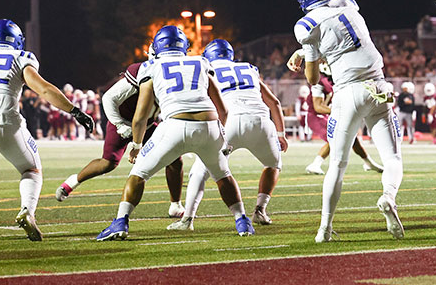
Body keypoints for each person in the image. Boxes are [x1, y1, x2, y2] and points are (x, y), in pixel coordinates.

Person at [96, 26, 253, 241]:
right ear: (184, 47)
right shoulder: (201, 61)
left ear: (157, 45)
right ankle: (242, 220)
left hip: (175, 125)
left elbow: (141, 116)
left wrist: (136, 144)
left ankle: (120, 222)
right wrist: (222, 136)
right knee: (223, 176)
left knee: (138, 174)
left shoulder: (151, 66)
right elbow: (223, 109)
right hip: (208, 125)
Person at [288, 0, 404, 242]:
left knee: (338, 165)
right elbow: (340, 27)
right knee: (392, 159)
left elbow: (314, 77)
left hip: (348, 93)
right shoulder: (347, 4)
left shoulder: (305, 26)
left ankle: (324, 230)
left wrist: (305, 55)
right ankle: (388, 196)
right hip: (379, 87)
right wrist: (304, 50)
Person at [0, 19, 94, 241]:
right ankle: (27, 212)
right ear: (16, 39)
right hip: (7, 123)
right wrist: (75, 111)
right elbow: (44, 89)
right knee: (31, 170)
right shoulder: (21, 57)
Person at [167, 39, 288, 230]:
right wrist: (281, 134)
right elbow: (274, 103)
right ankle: (260, 210)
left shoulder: (205, 67)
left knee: (200, 171)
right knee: (273, 164)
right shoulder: (249, 69)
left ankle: (187, 219)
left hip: (229, 121)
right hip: (261, 121)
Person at [55, 48, 185, 219]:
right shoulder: (141, 71)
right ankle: (73, 181)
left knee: (175, 159)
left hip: (146, 124)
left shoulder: (180, 72)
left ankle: (175, 205)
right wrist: (119, 124)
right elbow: (108, 98)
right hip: (123, 120)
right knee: (108, 163)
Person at [302, 62, 383, 175]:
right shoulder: (319, 82)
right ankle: (315, 164)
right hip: (316, 117)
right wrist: (339, 110)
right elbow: (318, 107)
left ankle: (369, 163)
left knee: (352, 137)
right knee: (336, 136)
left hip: (326, 116)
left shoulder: (333, 82)